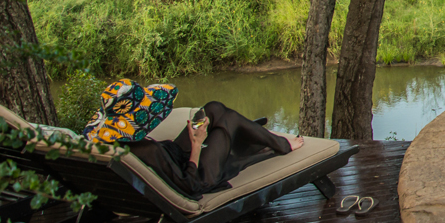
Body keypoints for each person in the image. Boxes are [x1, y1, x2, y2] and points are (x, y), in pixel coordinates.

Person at [84, 79, 303, 199]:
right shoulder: (146, 152)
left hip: (176, 158)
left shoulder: (113, 143)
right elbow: (191, 187)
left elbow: (162, 163)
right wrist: (197, 144)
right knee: (227, 121)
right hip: (198, 175)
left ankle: (248, 132)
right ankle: (282, 144)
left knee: (213, 109)